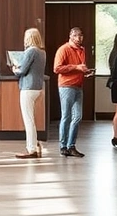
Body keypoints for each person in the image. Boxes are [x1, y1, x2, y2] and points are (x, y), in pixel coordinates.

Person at [53, 27, 92, 158]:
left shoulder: (82, 50)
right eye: (76, 35)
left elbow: (79, 67)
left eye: (81, 35)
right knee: (66, 116)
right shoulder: (63, 49)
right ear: (70, 36)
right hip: (67, 86)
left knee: (77, 116)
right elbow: (57, 68)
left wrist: (84, 71)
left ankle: (71, 145)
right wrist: (76, 67)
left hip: (78, 85)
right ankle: (63, 146)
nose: (79, 38)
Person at [12, 28, 47, 159]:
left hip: (28, 88)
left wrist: (15, 69)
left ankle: (31, 149)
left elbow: (22, 70)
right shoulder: (42, 52)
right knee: (32, 119)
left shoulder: (30, 51)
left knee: (29, 120)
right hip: (38, 87)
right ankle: (36, 145)